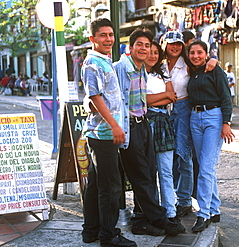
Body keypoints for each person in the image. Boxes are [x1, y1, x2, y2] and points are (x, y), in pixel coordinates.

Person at [114, 28, 185, 237]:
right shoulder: (120, 68)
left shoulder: (141, 71)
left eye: (148, 46)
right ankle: (159, 218)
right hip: (129, 126)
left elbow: (148, 100)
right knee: (142, 176)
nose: (145, 50)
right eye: (141, 45)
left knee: (148, 173)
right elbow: (113, 99)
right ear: (131, 47)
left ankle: (141, 220)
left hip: (143, 122)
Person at [80, 18, 136, 247]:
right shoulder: (93, 63)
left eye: (111, 34)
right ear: (93, 39)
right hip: (103, 134)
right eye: (103, 35)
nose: (108, 39)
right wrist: (115, 125)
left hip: (101, 132)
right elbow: (95, 98)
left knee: (96, 185)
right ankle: (109, 235)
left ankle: (91, 230)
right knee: (111, 186)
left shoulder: (104, 61)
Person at [161, 31, 218, 218]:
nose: (175, 47)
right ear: (165, 45)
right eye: (171, 44)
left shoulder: (187, 63)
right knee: (165, 159)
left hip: (184, 109)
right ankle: (169, 199)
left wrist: (214, 59)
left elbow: (204, 65)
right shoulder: (158, 63)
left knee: (184, 156)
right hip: (162, 110)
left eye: (178, 43)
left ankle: (184, 200)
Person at [187, 40, 234, 232]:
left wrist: (226, 123)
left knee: (206, 167)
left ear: (206, 54)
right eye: (192, 53)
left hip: (213, 118)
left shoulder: (215, 70)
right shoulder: (192, 71)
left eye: (200, 52)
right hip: (194, 118)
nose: (196, 56)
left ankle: (203, 213)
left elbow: (225, 96)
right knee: (204, 165)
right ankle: (214, 209)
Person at [144, 40, 178, 220]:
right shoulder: (138, 73)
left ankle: (170, 212)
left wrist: (160, 97)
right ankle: (153, 212)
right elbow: (141, 100)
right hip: (144, 121)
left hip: (163, 121)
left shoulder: (163, 73)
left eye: (156, 52)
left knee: (166, 170)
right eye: (149, 51)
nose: (152, 55)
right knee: (149, 171)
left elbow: (172, 97)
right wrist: (163, 95)